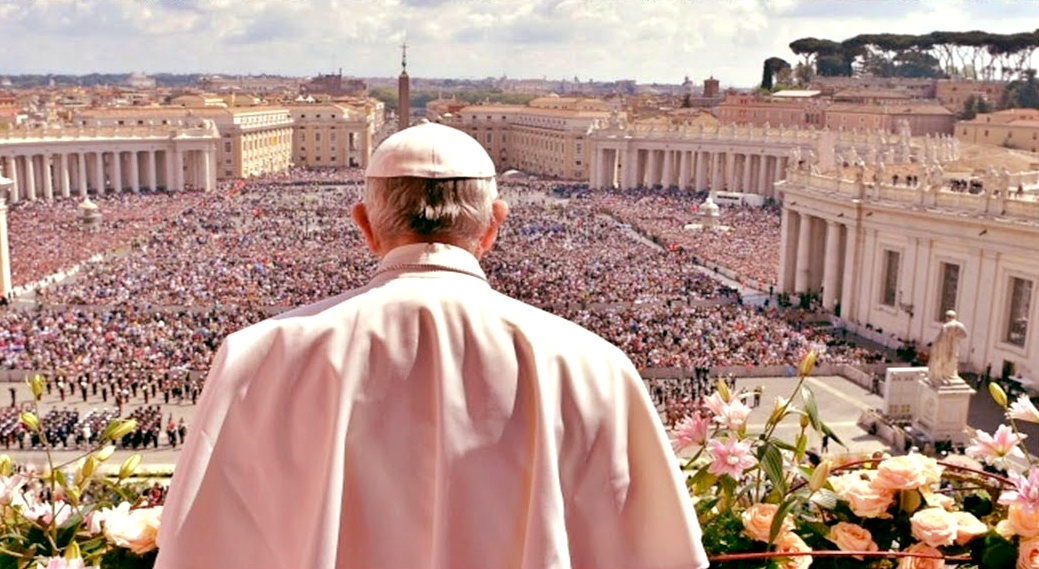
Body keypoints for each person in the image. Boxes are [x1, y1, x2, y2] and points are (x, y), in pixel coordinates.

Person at [155, 121, 708, 569]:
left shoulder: (256, 357)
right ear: (494, 224)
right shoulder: (594, 364)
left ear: (365, 226)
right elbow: (651, 550)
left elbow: (206, 544)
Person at [928, 310, 968, 383]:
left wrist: (934, 347)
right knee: (953, 359)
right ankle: (952, 374)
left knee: (944, 359)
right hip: (955, 345)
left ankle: (945, 375)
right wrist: (955, 336)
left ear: (947, 317)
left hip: (945, 346)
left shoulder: (946, 326)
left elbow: (939, 339)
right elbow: (965, 335)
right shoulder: (960, 325)